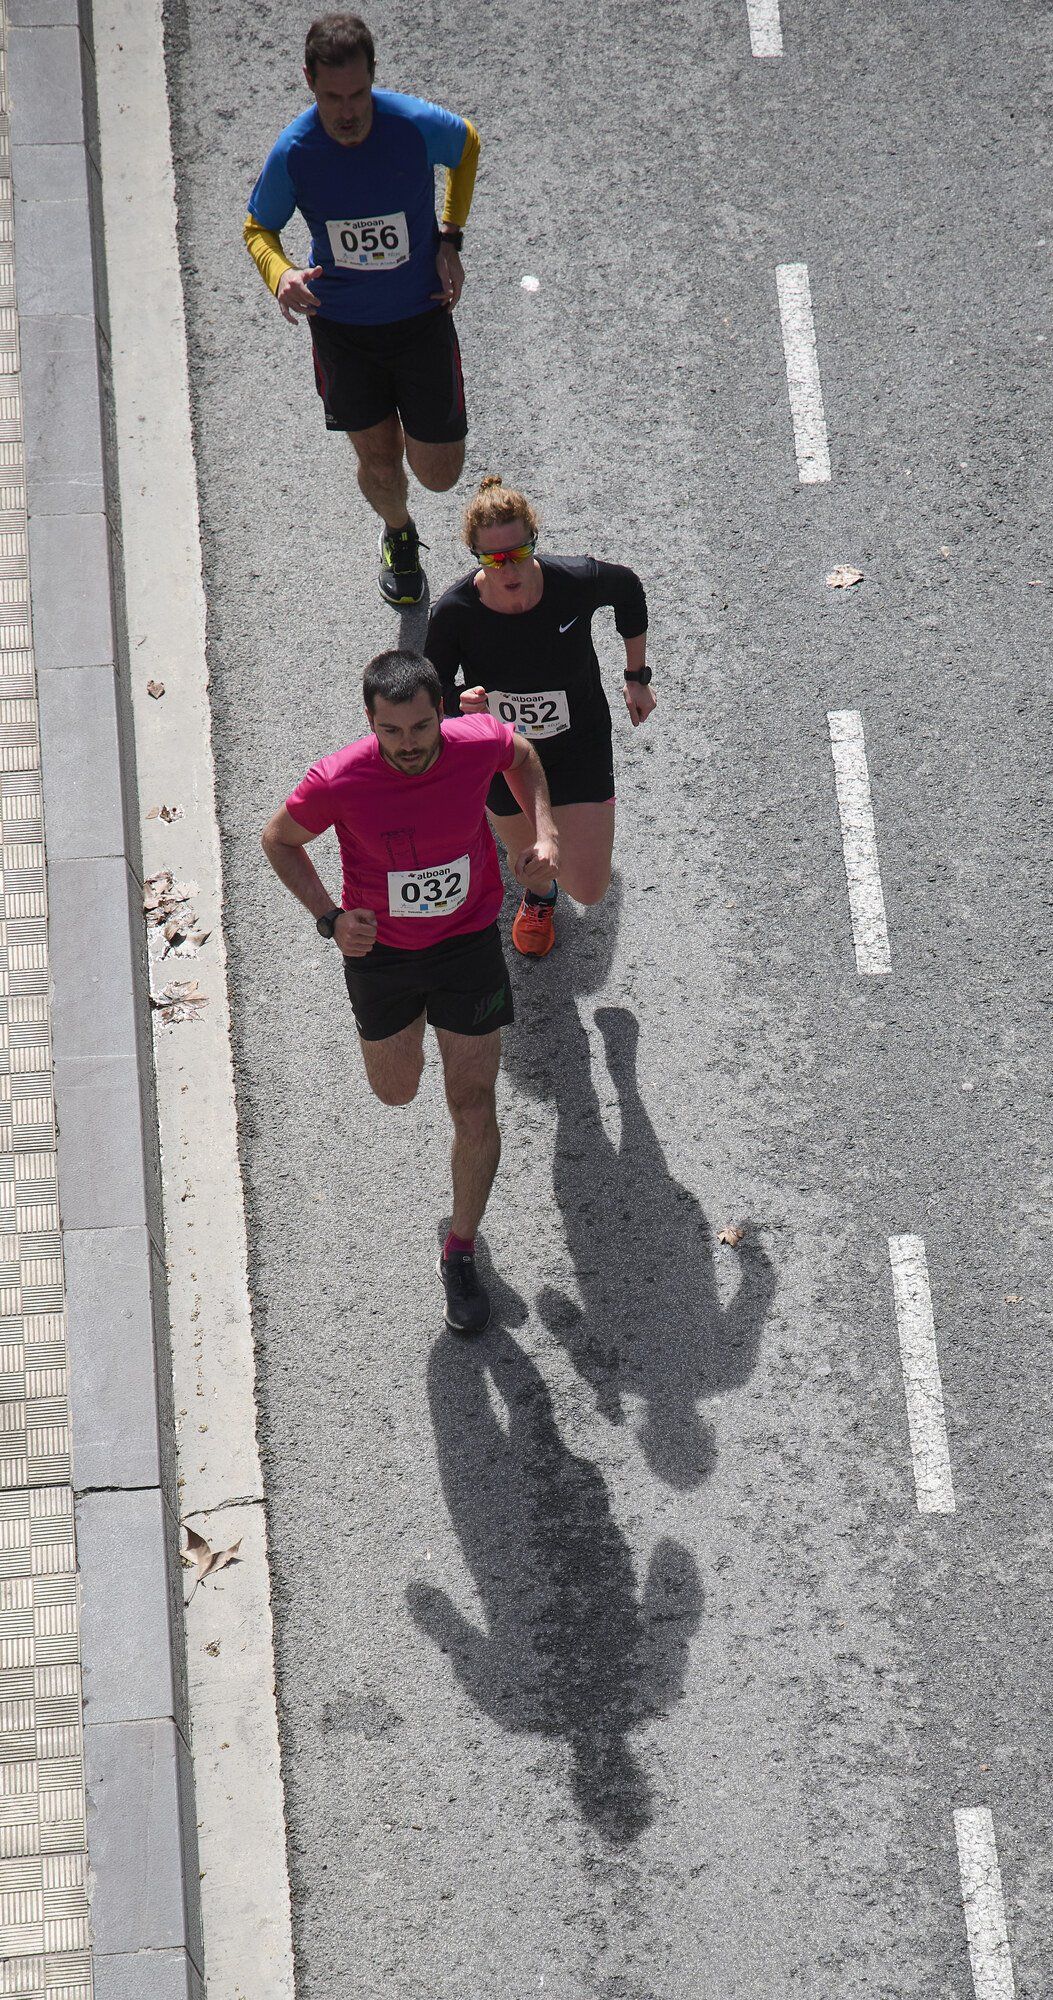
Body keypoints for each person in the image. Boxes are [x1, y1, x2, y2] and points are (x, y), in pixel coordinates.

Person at [259, 650, 558, 1333]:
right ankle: (414, 1027)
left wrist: (544, 832)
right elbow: (278, 839)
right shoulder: (339, 778)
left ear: (441, 714)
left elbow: (521, 754)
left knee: (473, 1102)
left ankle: (460, 1250)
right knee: (396, 1090)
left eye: (421, 727)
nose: (409, 744)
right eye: (391, 731)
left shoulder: (472, 741)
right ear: (370, 722)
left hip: (467, 944)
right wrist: (330, 919)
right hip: (383, 958)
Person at [244, 13, 479, 608]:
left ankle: (413, 469)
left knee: (440, 473)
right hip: (343, 331)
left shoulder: (412, 125)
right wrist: (281, 274)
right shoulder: (296, 152)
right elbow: (258, 228)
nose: (346, 113)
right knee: (378, 457)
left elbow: (467, 145)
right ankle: (398, 533)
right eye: (331, 98)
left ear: (373, 77)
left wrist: (450, 238)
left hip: (420, 317)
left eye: (357, 95)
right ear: (310, 82)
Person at [424, 477, 653, 958]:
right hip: (503, 756)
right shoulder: (454, 612)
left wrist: (636, 675)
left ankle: (557, 866)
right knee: (531, 859)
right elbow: (432, 687)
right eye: (493, 559)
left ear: (534, 540)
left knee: (589, 888)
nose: (508, 568)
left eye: (518, 553)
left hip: (578, 742)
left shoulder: (574, 581)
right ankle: (540, 898)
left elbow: (629, 589)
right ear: (476, 555)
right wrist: (459, 701)